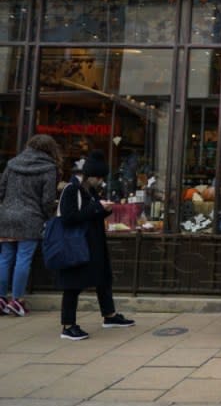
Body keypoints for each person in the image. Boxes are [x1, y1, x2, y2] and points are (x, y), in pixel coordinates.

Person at [57, 151, 135, 340]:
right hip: (77, 244)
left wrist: (103, 210)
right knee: (73, 285)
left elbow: (90, 214)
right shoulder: (71, 190)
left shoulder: (88, 190)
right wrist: (96, 208)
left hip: (93, 242)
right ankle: (68, 325)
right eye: (98, 177)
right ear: (89, 175)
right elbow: (69, 218)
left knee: (103, 278)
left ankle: (109, 315)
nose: (100, 181)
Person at [0, 135, 61, 316]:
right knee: (23, 258)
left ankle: (1, 298)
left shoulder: (12, 164)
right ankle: (17, 300)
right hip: (31, 218)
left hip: (7, 216)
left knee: (4, 257)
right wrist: (49, 216)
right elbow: (47, 199)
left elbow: (1, 190)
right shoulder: (49, 168)